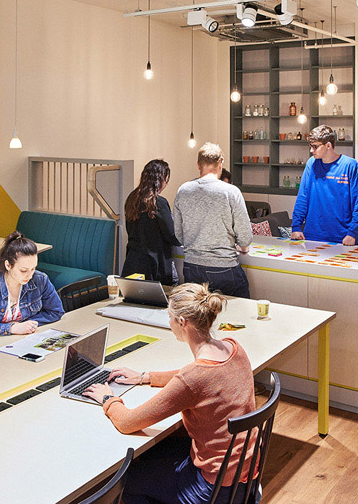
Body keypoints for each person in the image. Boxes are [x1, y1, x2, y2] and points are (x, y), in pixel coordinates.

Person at [83, 283, 256, 504]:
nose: (169, 323)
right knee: (156, 452)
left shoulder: (194, 377)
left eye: (170, 317)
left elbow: (127, 423)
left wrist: (108, 398)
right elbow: (197, 378)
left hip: (213, 489)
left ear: (182, 322)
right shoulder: (233, 348)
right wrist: (146, 376)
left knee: (126, 482)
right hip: (245, 473)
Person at [174, 143, 252, 298]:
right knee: (240, 308)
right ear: (220, 163)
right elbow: (245, 236)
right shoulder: (231, 192)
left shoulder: (183, 191)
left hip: (191, 267)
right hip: (224, 267)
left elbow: (179, 234)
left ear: (198, 164)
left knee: (198, 311)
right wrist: (243, 247)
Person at [291, 125, 358, 245]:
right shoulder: (312, 164)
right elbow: (303, 196)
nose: (311, 150)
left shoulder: (350, 165)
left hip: (343, 237)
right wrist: (296, 226)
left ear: (328, 145)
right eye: (310, 146)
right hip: (312, 236)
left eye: (315, 146)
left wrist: (353, 233)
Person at [122, 159, 181, 284]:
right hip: (155, 265)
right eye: (166, 180)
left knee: (134, 295)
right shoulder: (159, 202)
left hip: (133, 261)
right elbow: (171, 235)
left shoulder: (132, 198)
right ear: (161, 179)